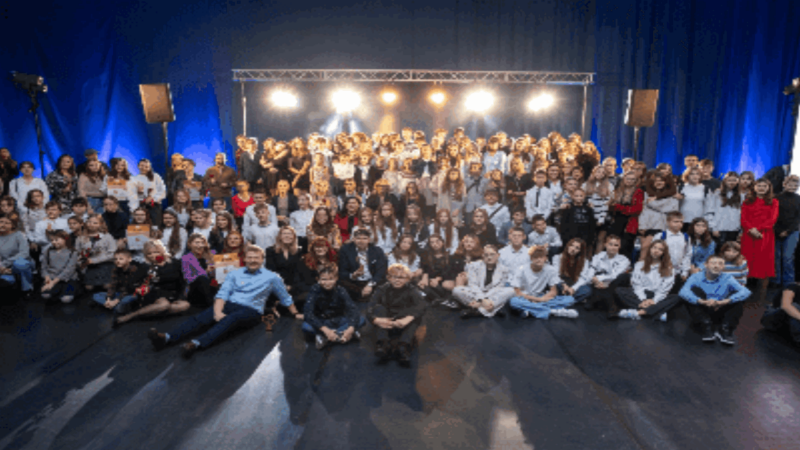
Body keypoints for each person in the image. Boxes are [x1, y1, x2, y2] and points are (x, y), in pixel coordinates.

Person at [148, 245, 302, 358]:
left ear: (262, 259)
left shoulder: (273, 277)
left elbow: (285, 297)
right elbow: (222, 294)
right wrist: (217, 311)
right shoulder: (235, 274)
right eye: (250, 257)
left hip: (252, 310)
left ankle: (195, 343)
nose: (253, 260)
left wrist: (295, 313)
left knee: (231, 319)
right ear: (244, 259)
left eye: (256, 257)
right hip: (230, 303)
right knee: (202, 317)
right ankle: (167, 337)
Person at [114, 240, 190, 327]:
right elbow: (131, 284)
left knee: (185, 305)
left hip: (172, 294)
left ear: (162, 251)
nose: (153, 255)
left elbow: (183, 281)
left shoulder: (175, 262)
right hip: (154, 293)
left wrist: (181, 297)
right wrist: (140, 288)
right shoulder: (145, 266)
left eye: (156, 252)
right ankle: (131, 316)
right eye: (149, 253)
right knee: (164, 305)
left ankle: (152, 312)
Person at [679, 254, 751, 345]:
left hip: (721, 309)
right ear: (706, 265)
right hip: (703, 310)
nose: (716, 266)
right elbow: (683, 291)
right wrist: (702, 301)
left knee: (738, 296)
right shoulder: (696, 276)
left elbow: (745, 291)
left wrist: (724, 301)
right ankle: (706, 326)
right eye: (713, 263)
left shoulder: (728, 277)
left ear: (723, 267)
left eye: (720, 264)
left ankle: (725, 328)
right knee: (693, 291)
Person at [367, 263, 427, 366]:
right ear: (388, 278)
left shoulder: (411, 289)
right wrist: (375, 320)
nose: (397, 280)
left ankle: (403, 346)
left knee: (416, 314)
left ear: (407, 279)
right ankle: (383, 344)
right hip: (386, 321)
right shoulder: (382, 288)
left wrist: (407, 319)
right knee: (378, 308)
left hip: (402, 321)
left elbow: (422, 305)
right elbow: (370, 307)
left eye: (401, 278)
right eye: (394, 277)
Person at [612, 240, 682, 321]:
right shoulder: (639, 265)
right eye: (654, 247)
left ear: (664, 253)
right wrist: (643, 299)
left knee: (676, 297)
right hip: (641, 294)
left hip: (657, 295)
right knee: (619, 290)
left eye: (660, 249)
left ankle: (639, 313)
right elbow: (636, 285)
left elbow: (664, 289)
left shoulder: (669, 269)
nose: (656, 251)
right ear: (650, 249)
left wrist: (654, 300)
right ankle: (656, 312)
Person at [302, 264, 365, 350]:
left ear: (336, 279)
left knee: (361, 319)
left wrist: (350, 328)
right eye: (324, 279)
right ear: (318, 279)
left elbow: (353, 309)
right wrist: (325, 330)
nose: (327, 282)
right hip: (322, 321)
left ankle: (329, 336)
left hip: (339, 319)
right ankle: (339, 335)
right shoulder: (314, 290)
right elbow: (308, 313)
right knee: (306, 326)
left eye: (331, 279)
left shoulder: (340, 290)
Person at [508, 246, 579, 319]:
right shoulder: (521, 269)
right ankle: (553, 311)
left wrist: (542, 299)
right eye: (536, 257)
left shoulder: (551, 270)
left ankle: (530, 310)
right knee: (514, 302)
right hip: (525, 298)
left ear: (545, 258)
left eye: (541, 257)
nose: (539, 259)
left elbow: (553, 291)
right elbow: (517, 293)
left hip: (541, 296)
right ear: (531, 258)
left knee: (570, 299)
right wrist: (537, 300)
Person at [741, 178, 780, 303]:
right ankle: (743, 291)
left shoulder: (774, 201)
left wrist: (757, 229)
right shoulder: (747, 201)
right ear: (754, 187)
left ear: (768, 188)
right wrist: (751, 229)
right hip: (749, 234)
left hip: (765, 235)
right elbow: (743, 218)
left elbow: (772, 219)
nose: (761, 188)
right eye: (759, 185)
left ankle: (761, 296)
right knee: (747, 260)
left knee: (763, 261)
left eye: (764, 186)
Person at [452, 244, 516, 319]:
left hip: (492, 294)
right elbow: (473, 285)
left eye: (492, 254)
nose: (489, 257)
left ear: (498, 255)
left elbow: (498, 287)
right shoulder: (473, 266)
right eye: (486, 255)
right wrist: (482, 300)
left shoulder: (504, 269)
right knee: (457, 290)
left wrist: (482, 301)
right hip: (476, 293)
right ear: (483, 256)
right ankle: (492, 310)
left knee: (511, 291)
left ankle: (477, 310)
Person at [585, 234, 631, 315]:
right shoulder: (598, 256)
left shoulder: (624, 260)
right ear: (605, 244)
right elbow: (590, 273)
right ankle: (611, 305)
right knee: (596, 275)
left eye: (616, 245)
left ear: (619, 246)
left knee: (623, 277)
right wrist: (596, 280)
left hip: (613, 284)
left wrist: (603, 281)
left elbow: (615, 275)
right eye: (610, 244)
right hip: (597, 284)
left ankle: (595, 300)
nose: (613, 247)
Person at [338, 228, 388, 302]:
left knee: (383, 282)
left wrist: (370, 285)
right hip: (354, 283)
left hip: (371, 281)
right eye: (358, 238)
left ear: (369, 240)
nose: (361, 241)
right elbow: (342, 270)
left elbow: (381, 271)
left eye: (364, 238)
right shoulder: (345, 250)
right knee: (341, 282)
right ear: (353, 239)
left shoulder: (377, 250)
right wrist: (353, 275)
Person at [94, 248, 149, 314]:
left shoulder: (134, 270)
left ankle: (114, 306)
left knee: (124, 302)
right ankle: (110, 305)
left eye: (121, 259)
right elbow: (113, 286)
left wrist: (116, 301)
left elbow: (128, 290)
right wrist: (108, 299)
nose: (118, 261)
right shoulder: (116, 270)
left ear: (129, 259)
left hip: (131, 293)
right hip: (120, 293)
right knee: (96, 295)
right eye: (115, 259)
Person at [75, 214, 116, 294]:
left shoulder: (107, 236)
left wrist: (94, 260)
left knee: (107, 286)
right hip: (88, 266)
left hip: (105, 264)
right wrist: (81, 262)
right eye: (89, 222)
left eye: (95, 223)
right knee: (88, 287)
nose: (91, 225)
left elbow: (112, 253)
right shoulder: (80, 237)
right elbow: (77, 252)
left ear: (100, 224)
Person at [773, 175, 800, 287]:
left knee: (787, 257)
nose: (793, 187)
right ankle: (776, 281)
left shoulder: (798, 199)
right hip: (776, 231)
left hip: (792, 232)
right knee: (776, 257)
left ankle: (789, 282)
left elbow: (798, 218)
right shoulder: (776, 198)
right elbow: (772, 216)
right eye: (790, 185)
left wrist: (787, 231)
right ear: (784, 184)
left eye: (795, 185)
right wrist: (778, 230)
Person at [39, 230, 79, 303]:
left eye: (56, 240)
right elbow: (44, 266)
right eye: (52, 240)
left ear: (65, 239)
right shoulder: (48, 251)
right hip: (52, 277)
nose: (54, 242)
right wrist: (47, 278)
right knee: (45, 295)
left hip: (67, 278)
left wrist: (53, 283)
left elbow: (69, 269)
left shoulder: (73, 252)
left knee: (66, 299)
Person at [552, 238, 593, 305]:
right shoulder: (557, 257)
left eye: (577, 248)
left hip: (574, 285)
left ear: (580, 251)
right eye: (571, 245)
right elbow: (555, 275)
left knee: (587, 290)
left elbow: (583, 278)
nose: (573, 249)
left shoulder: (585, 262)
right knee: (553, 283)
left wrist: (573, 288)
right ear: (568, 246)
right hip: (562, 283)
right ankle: (569, 300)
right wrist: (564, 285)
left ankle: (565, 300)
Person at [0, 215, 33, 295]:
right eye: (1, 222)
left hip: (22, 263)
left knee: (20, 264)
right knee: (6, 281)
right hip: (4, 267)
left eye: (7, 223)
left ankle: (27, 289)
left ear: (12, 226)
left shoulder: (18, 235)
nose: (3, 225)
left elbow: (24, 253)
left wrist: (5, 264)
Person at [706, 171, 742, 246]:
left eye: (734, 180)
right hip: (719, 229)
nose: (732, 182)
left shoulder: (740, 195)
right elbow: (709, 211)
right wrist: (713, 227)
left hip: (734, 230)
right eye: (729, 180)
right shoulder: (717, 193)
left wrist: (740, 230)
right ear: (725, 181)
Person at [182, 234, 217, 307]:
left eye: (202, 242)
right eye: (197, 242)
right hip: (195, 289)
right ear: (190, 244)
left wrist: (215, 268)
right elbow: (188, 278)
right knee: (202, 279)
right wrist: (206, 272)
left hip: (212, 286)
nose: (200, 245)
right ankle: (214, 306)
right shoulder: (186, 258)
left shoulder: (212, 254)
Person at [760, 283, 800, 348]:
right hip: (771, 319)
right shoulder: (792, 286)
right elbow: (786, 306)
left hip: (786, 325)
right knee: (794, 307)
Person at [133, 159, 166, 226]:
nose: (144, 168)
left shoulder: (156, 176)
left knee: (155, 225)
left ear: (150, 167)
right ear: (138, 166)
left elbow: (163, 191)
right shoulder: (134, 179)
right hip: (141, 206)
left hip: (154, 206)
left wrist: (152, 198)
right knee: (142, 225)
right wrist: (137, 192)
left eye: (146, 166)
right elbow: (131, 194)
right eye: (142, 165)